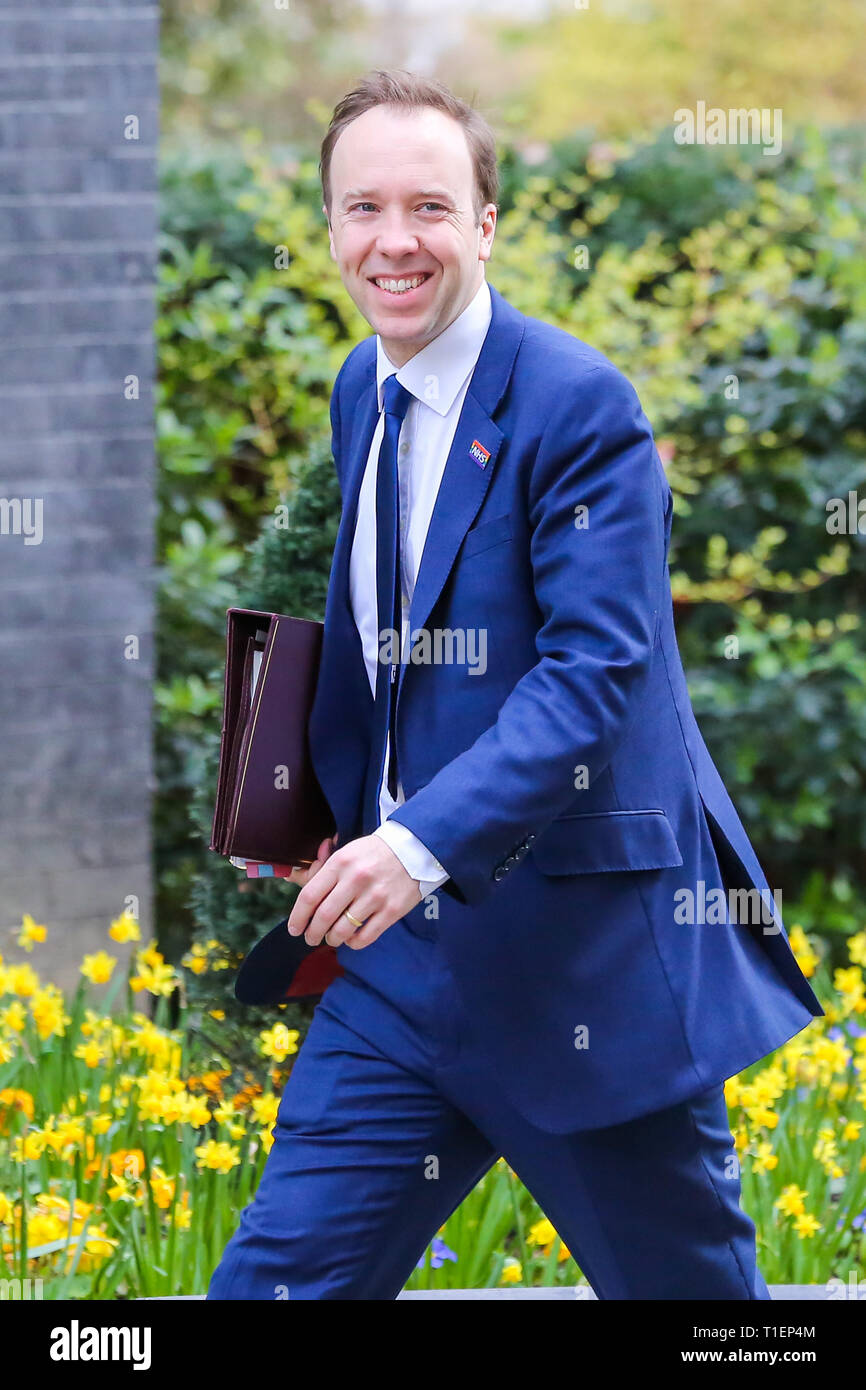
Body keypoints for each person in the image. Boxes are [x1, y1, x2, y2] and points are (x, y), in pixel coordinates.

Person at [207, 69, 822, 1301]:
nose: (394, 241)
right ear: (328, 226)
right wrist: (324, 798)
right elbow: (400, 637)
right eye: (361, 208)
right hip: (399, 969)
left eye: (429, 208)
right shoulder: (359, 387)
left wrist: (415, 840)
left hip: (576, 967)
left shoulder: (577, 405)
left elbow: (594, 672)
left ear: (484, 224)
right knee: (278, 1284)